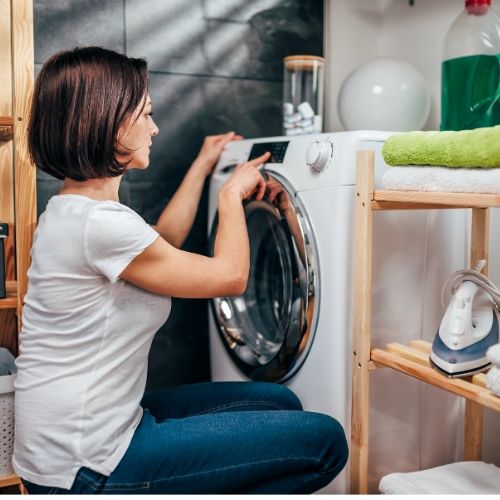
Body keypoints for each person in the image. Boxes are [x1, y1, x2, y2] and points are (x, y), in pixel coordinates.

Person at [13, 46, 348, 495]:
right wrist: (230, 198)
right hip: (86, 465)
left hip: (77, 437)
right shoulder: (101, 224)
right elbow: (231, 277)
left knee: (279, 401)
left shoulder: (74, 210)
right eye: (146, 114)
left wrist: (203, 165)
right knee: (325, 441)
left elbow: (163, 240)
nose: (155, 127)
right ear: (110, 123)